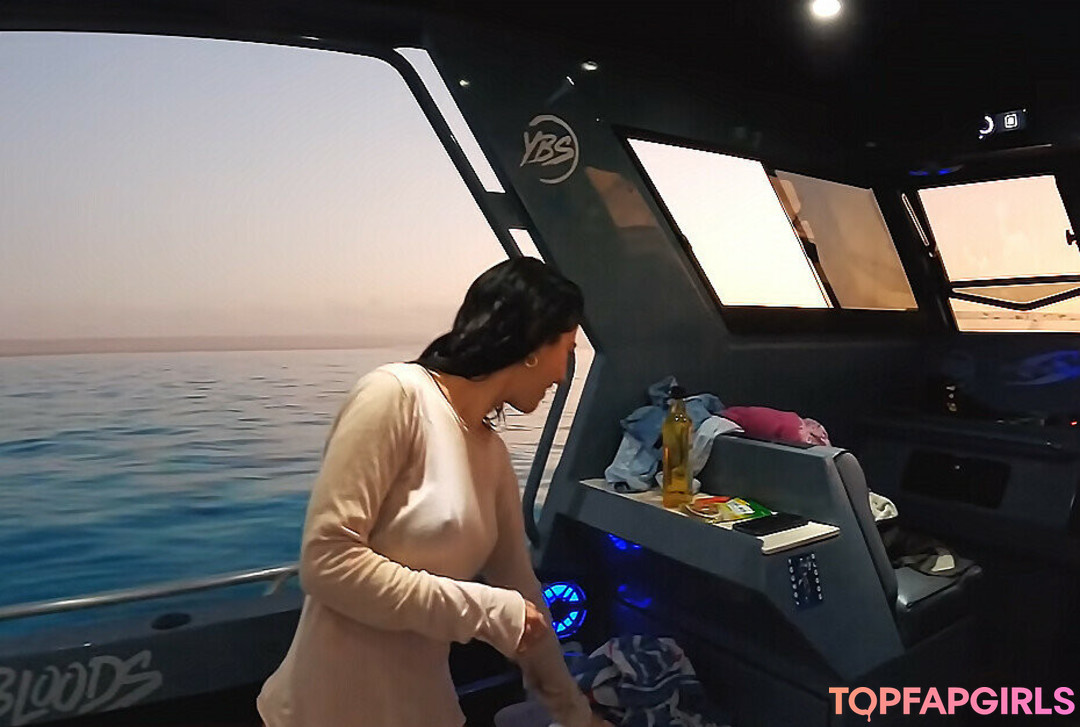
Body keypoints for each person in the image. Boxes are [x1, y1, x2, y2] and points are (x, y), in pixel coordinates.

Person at [257, 257, 608, 727]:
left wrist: (576, 714)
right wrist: (487, 611)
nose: (563, 374)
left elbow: (522, 591)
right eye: (566, 349)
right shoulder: (394, 396)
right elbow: (327, 563)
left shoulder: (492, 455)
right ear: (532, 344)